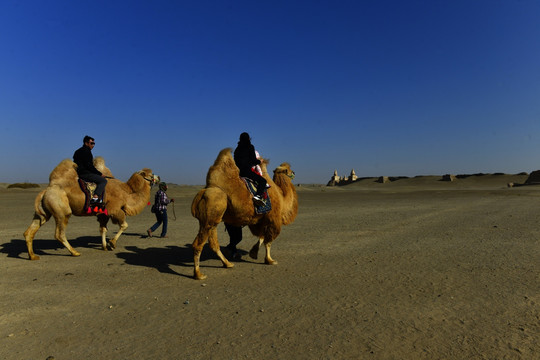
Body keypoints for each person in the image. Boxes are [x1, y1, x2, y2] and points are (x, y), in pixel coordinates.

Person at [234, 132, 267, 204]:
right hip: (247, 172)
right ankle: (258, 196)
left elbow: (236, 161)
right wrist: (259, 161)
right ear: (249, 139)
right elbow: (253, 160)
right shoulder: (250, 147)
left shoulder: (237, 149)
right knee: (263, 181)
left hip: (239, 172)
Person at [73, 135, 107, 205]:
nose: (93, 145)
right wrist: (100, 174)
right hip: (86, 174)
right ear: (86, 143)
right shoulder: (87, 152)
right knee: (103, 181)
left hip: (79, 173)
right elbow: (89, 166)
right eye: (91, 143)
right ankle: (95, 198)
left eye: (94, 143)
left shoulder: (77, 151)